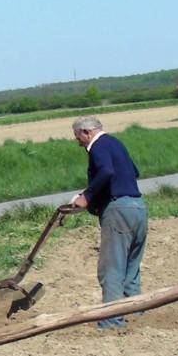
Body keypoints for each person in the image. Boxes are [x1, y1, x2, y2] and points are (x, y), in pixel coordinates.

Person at [70, 116, 147, 329]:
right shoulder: (116, 143)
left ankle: (112, 320)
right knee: (131, 268)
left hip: (118, 210)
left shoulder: (98, 147)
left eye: (78, 138)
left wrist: (86, 196)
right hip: (138, 206)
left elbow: (106, 171)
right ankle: (137, 315)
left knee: (111, 268)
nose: (78, 143)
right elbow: (134, 172)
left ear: (86, 132)